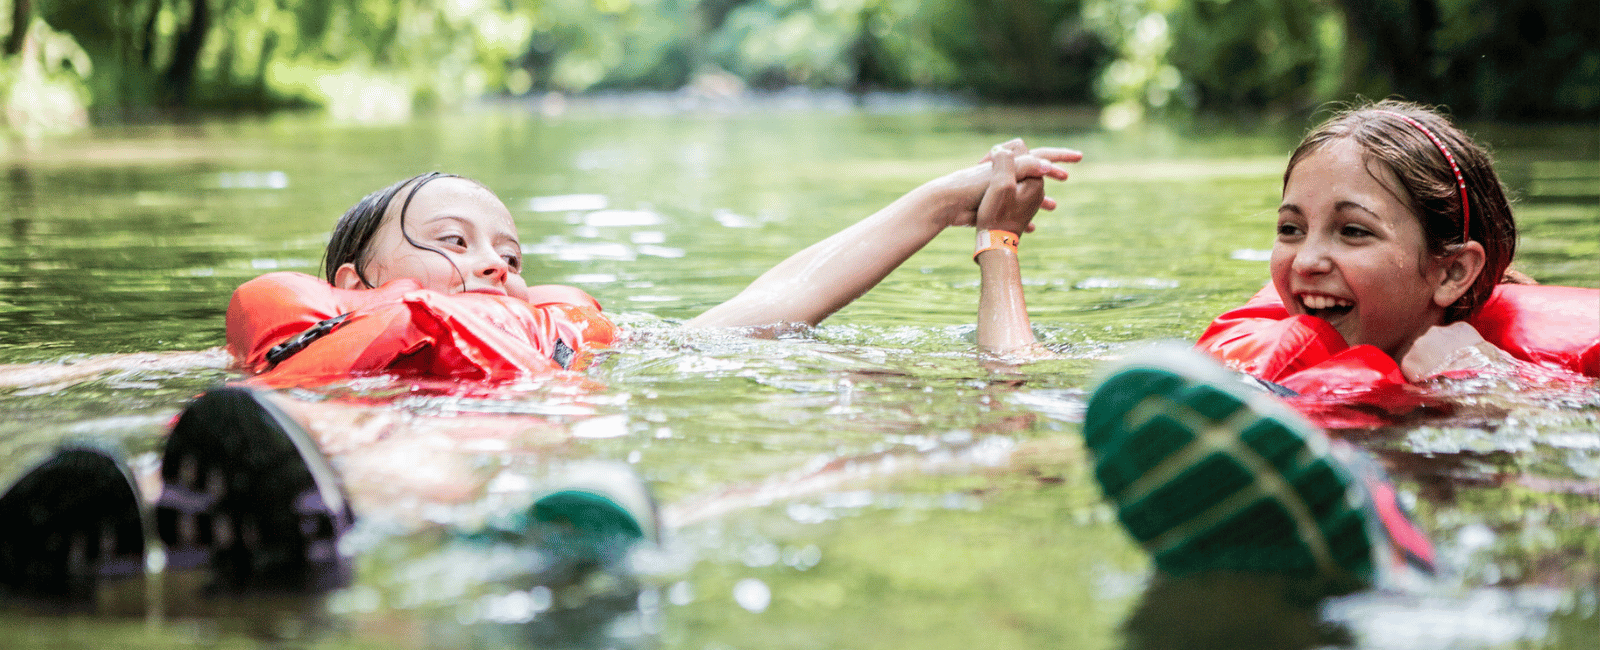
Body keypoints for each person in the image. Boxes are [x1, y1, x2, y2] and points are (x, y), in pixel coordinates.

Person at [0, 141, 1082, 601]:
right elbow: (96, 368)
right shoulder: (306, 334)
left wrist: (944, 205)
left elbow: (770, 305)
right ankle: (137, 513)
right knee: (241, 428)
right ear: (353, 275)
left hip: (449, 455)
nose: (491, 263)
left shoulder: (551, 334)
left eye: (508, 251)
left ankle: (229, 530)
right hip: (308, 425)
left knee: (414, 454)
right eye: (451, 239)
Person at [969, 100, 1597, 591]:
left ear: (1452, 272)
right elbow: (1025, 375)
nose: (1309, 259)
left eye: (1353, 232)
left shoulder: (1500, 373)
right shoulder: (1266, 356)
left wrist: (1487, 386)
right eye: (1290, 229)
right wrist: (1000, 241)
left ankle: (1390, 547)